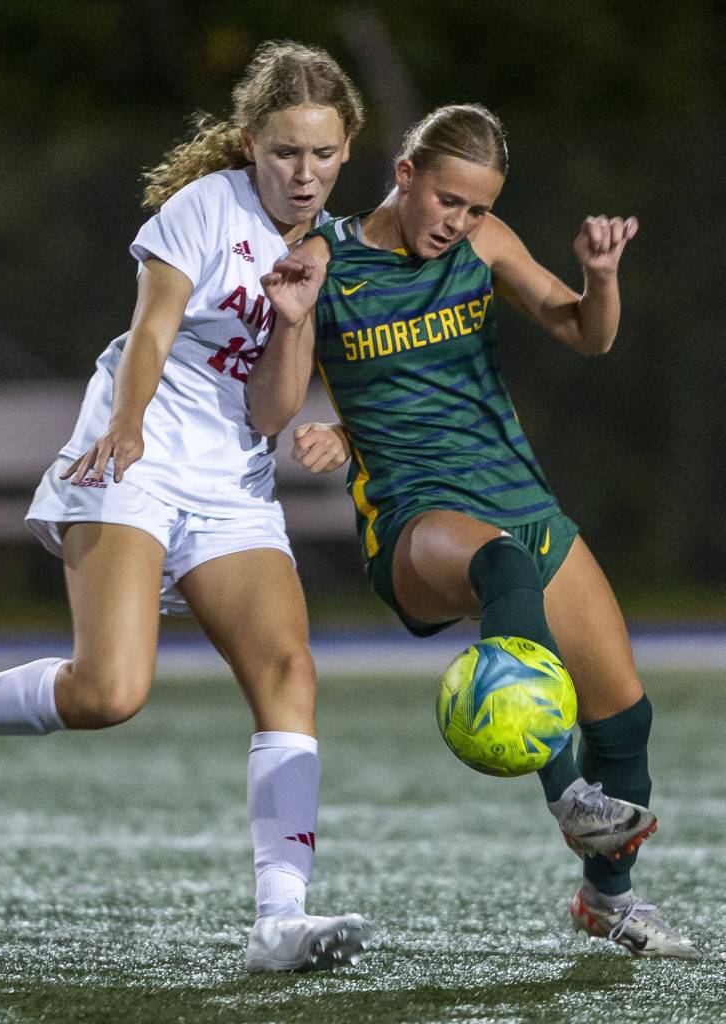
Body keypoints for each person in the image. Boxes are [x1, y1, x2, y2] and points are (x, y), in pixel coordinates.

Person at [0, 40, 373, 973]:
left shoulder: (327, 246)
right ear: (250, 145)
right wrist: (126, 424)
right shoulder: (204, 209)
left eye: (323, 154)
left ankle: (277, 923)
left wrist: (293, 324)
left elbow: (273, 412)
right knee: (109, 692)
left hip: (231, 477)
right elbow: (154, 326)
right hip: (135, 450)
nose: (305, 173)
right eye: (286, 151)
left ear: (346, 151)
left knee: (288, 670)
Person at [247, 103, 699, 959]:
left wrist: (600, 275)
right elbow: (272, 406)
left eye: (477, 209)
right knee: (500, 566)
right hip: (417, 517)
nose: (457, 223)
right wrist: (295, 328)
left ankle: (605, 900)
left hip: (518, 498)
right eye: (446, 200)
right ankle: (565, 792)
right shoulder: (322, 261)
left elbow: (583, 332)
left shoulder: (482, 248)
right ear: (405, 174)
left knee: (624, 720)